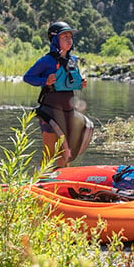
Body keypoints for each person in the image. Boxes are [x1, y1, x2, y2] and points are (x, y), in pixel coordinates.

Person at [23, 21, 88, 168]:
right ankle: (40, 184)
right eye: (64, 36)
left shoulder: (73, 60)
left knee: (66, 153)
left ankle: (62, 183)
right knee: (49, 153)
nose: (69, 40)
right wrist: (44, 80)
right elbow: (28, 77)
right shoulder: (47, 61)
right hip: (49, 111)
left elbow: (68, 81)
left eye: (70, 37)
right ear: (54, 39)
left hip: (68, 111)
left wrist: (80, 83)